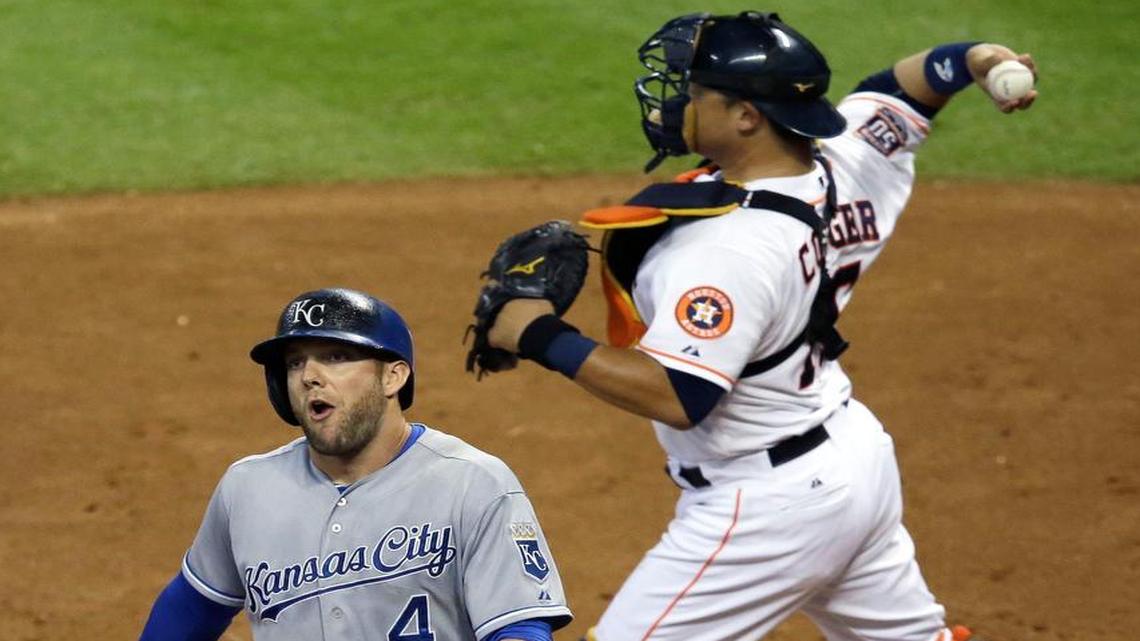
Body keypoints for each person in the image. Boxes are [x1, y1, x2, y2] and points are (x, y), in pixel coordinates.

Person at [482, 11, 1036, 641]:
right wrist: (982, 60)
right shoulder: (842, 160)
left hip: (770, 506)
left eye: (695, 95)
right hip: (849, 456)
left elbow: (678, 393)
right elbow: (908, 87)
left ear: (747, 116)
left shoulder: (727, 251)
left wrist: (536, 333)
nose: (677, 105)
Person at [138, 288, 572, 641]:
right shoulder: (247, 487)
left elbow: (520, 625)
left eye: (336, 357)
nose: (309, 376)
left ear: (393, 377)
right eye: (294, 363)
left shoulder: (471, 482)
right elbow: (193, 605)